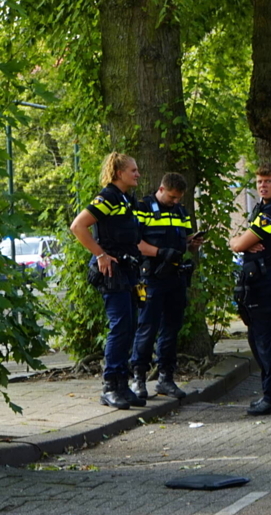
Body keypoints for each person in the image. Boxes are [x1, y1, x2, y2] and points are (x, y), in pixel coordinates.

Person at [69, 152, 145, 409]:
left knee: (130, 325)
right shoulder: (108, 197)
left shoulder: (126, 199)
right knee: (120, 325)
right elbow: (78, 226)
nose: (137, 174)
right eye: (133, 170)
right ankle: (110, 386)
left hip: (127, 270)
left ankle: (123, 384)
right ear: (118, 173)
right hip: (112, 272)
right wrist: (100, 254)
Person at [129, 172, 205, 400]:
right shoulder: (143, 207)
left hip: (175, 277)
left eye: (178, 198)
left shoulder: (180, 211)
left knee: (171, 329)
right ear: (161, 189)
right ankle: (138, 379)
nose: (175, 201)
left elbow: (184, 241)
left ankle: (166, 378)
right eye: (172, 197)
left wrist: (192, 243)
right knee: (147, 328)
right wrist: (160, 252)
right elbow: (135, 242)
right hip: (151, 276)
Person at [230, 163, 271, 416]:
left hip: (265, 281)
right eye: (259, 182)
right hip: (261, 280)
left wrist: (239, 243)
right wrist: (243, 242)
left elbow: (238, 244)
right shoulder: (264, 208)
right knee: (261, 340)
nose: (262, 186)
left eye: (268, 181)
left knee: (267, 342)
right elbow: (244, 242)